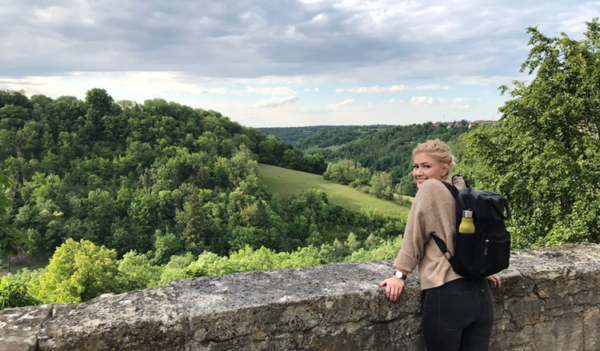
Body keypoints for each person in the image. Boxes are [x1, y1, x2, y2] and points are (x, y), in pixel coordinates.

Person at [379, 139, 501, 351]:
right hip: (481, 295)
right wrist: (483, 267)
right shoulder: (462, 191)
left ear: (444, 169)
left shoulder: (431, 189)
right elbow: (471, 237)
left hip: (448, 296)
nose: (418, 172)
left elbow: (414, 235)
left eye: (426, 166)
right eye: (416, 166)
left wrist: (399, 275)